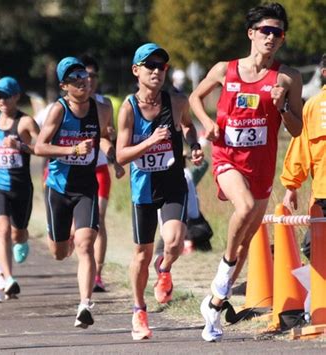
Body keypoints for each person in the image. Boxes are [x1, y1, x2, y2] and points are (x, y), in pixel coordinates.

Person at [189, 2, 303, 342]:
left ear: (282, 39)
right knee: (243, 208)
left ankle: (214, 305)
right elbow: (196, 97)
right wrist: (207, 122)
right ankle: (222, 280)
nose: (271, 37)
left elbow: (296, 130)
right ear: (251, 34)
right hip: (227, 156)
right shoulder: (227, 70)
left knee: (247, 238)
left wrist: (282, 104)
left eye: (277, 32)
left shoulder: (288, 77)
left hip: (261, 165)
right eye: (265, 30)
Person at [116, 43, 203, 340]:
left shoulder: (177, 101)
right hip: (142, 187)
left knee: (175, 242)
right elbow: (121, 155)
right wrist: (150, 141)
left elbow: (189, 127)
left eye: (161, 66)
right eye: (149, 66)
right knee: (142, 254)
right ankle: (139, 311)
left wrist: (194, 146)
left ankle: (164, 268)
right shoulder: (128, 108)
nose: (156, 71)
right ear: (136, 71)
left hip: (172, 182)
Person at [35, 57, 116, 329]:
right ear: (64, 86)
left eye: (84, 75)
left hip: (86, 188)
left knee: (85, 245)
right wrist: (71, 150)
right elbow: (40, 147)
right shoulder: (58, 111)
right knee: (59, 252)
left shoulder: (102, 108)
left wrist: (112, 154)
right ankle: (62, 237)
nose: (83, 80)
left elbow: (103, 136)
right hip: (58, 187)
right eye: (75, 78)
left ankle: (84, 305)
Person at [0, 76, 40, 300]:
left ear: (16, 97)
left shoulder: (26, 122)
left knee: (17, 233)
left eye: (5, 96)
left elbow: (41, 148)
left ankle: (23, 239)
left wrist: (20, 145)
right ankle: (8, 279)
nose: (1, 100)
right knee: (2, 231)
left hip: (21, 187)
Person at [80, 54, 125, 292]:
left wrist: (114, 157)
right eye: (84, 76)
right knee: (78, 226)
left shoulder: (104, 103)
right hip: (74, 170)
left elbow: (111, 137)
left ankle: (97, 273)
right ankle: (84, 262)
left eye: (93, 76)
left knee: (98, 219)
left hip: (98, 168)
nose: (89, 80)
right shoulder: (68, 105)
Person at [281, 53, 326, 259]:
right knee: (312, 247)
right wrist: (291, 186)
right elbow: (301, 146)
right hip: (323, 194)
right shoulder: (313, 106)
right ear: (324, 73)